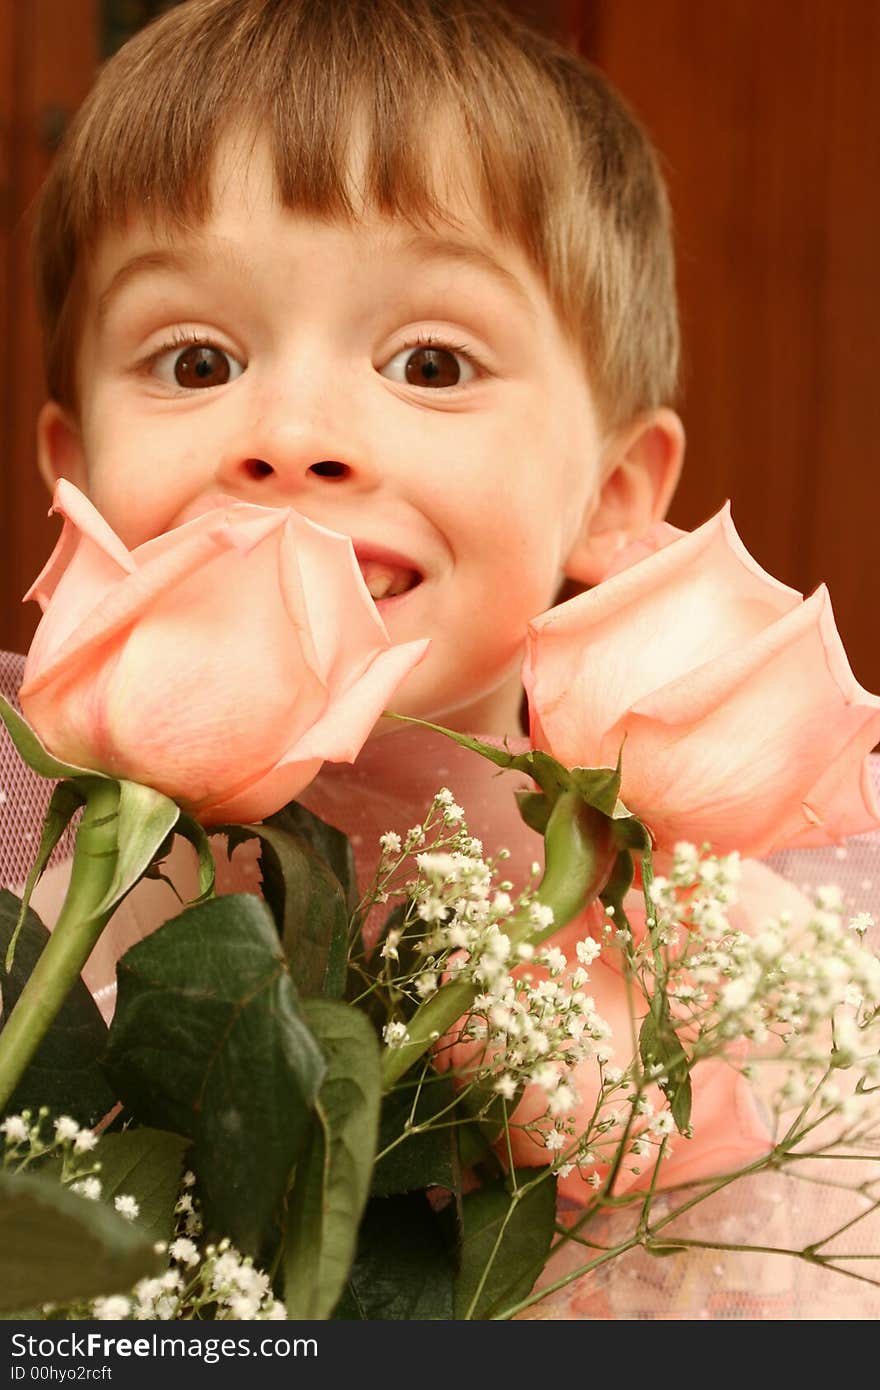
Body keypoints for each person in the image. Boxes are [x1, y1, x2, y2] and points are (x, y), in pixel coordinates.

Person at [5, 0, 878, 1318]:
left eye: (428, 360)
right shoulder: (50, 935)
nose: (293, 435)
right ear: (74, 476)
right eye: (198, 359)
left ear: (612, 494)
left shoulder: (739, 976)